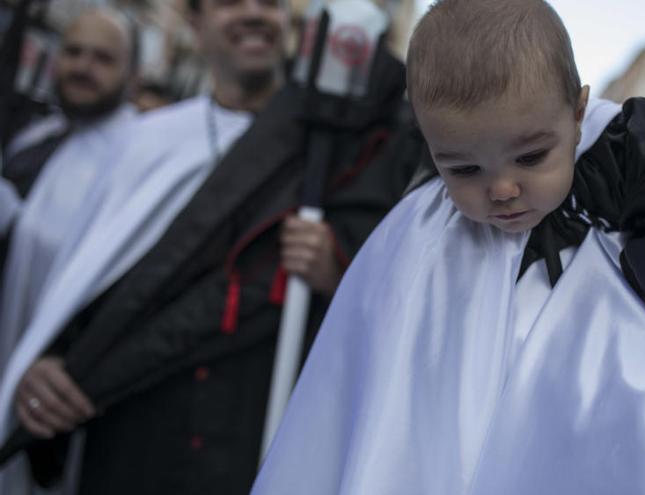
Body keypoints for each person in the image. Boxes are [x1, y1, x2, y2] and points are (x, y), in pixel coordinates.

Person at [252, 1, 645, 493]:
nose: (502, 190)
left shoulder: (623, 151)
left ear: (578, 113)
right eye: (465, 169)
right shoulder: (417, 233)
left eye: (532, 157)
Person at [0, 0, 421, 494]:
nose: (252, 14)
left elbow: (392, 293)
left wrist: (339, 267)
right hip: (133, 436)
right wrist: (50, 359)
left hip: (255, 427)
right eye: (228, 3)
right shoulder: (144, 142)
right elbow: (82, 284)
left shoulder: (337, 141)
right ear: (195, 24)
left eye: (267, 2)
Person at [0, 8, 138, 394]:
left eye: (102, 58)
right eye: (74, 52)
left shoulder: (135, 158)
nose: (82, 66)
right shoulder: (34, 138)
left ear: (133, 74)